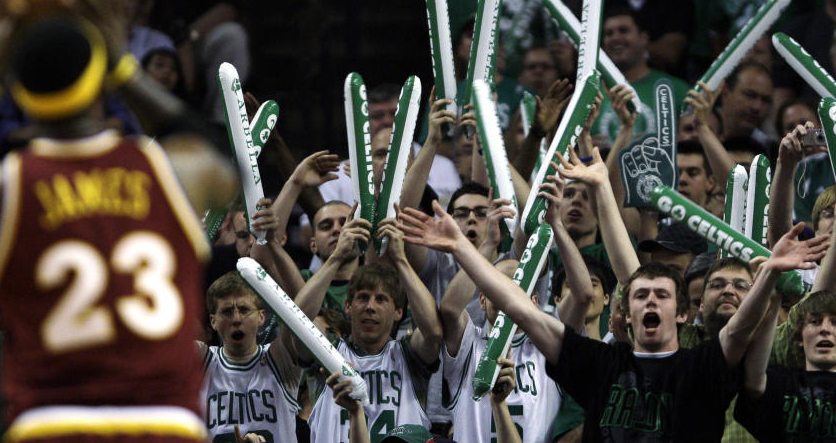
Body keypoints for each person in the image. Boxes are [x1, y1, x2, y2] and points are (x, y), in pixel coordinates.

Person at [0, 0, 238, 441]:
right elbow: (224, 162)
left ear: (22, 97)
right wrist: (121, 66)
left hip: (53, 421)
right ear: (100, 86)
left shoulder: (4, 187)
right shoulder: (168, 172)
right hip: (165, 420)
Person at [397, 146, 830, 441]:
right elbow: (515, 304)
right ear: (625, 307)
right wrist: (460, 247)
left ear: (683, 313)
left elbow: (739, 330)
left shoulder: (701, 367)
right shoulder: (600, 364)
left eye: (662, 295)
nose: (650, 302)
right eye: (640, 295)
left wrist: (771, 271)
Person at [439, 173, 593, 443]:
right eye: (498, 288)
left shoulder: (549, 345)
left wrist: (556, 223)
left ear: (534, 301)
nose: (506, 296)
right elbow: (450, 309)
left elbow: (582, 295)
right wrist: (487, 246)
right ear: (483, 299)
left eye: (515, 288)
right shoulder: (469, 343)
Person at [299, 212, 442, 442]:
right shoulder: (329, 352)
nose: (370, 307)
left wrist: (400, 259)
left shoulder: (408, 355)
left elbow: (433, 331)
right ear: (348, 306)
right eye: (362, 298)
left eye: (381, 299)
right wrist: (336, 257)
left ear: (398, 312)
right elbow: (297, 324)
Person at [199, 272, 302, 442]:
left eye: (244, 309)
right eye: (227, 311)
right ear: (213, 321)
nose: (236, 319)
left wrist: (274, 250)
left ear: (262, 316)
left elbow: (302, 316)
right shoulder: (202, 360)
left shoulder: (279, 359)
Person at [734, 290, 836, 442]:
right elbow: (754, 384)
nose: (825, 329)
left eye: (835, 322)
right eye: (815, 321)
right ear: (799, 337)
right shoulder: (782, 382)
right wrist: (774, 302)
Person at [591, 8, 690, 145]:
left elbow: (693, 140)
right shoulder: (590, 93)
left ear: (644, 38)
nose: (615, 38)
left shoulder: (676, 89)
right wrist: (584, 150)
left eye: (623, 30)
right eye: (609, 33)